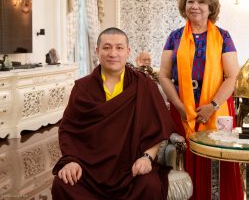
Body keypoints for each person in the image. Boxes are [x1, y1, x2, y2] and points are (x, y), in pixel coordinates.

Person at [51, 27, 175, 200]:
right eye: (107, 47)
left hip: (130, 166)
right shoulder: (82, 88)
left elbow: (157, 129)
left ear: (128, 51)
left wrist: (147, 158)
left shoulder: (144, 85)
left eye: (119, 47)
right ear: (97, 51)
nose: (113, 53)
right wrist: (71, 161)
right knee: (63, 184)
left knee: (150, 186)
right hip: (89, 168)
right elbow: (69, 130)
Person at [159, 0, 243, 200]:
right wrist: (178, 106)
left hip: (217, 109)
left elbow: (232, 76)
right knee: (183, 159)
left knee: (217, 161)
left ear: (211, 7)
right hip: (181, 108)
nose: (195, 6)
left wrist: (212, 105)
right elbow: (164, 75)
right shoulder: (175, 37)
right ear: (184, 6)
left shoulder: (223, 37)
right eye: (190, 1)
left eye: (201, 1)